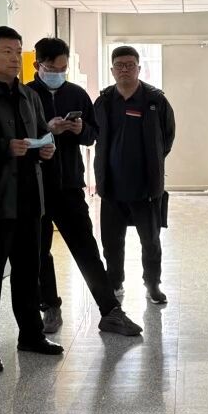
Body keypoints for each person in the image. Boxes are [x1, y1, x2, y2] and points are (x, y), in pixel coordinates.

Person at [28, 37, 142, 337]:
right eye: (52, 68)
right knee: (39, 251)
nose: (58, 73)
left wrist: (80, 129)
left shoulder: (76, 94)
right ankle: (49, 306)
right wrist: (47, 129)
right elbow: (20, 139)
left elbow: (93, 134)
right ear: (38, 65)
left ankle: (110, 311)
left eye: (62, 68)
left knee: (87, 249)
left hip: (69, 185)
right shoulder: (26, 95)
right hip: (35, 186)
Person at [0, 26, 65, 371]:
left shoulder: (28, 95)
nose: (13, 58)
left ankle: (31, 335)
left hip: (29, 199)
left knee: (28, 273)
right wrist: (3, 148)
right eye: (6, 51)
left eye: (18, 51)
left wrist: (46, 148)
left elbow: (39, 134)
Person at [92, 45, 176, 305]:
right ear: (112, 70)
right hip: (111, 186)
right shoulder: (104, 101)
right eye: (119, 65)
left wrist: (153, 162)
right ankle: (115, 282)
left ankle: (153, 285)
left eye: (130, 65)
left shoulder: (155, 101)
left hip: (145, 187)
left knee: (150, 242)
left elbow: (167, 137)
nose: (125, 69)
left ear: (139, 68)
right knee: (111, 242)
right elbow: (95, 135)